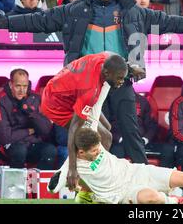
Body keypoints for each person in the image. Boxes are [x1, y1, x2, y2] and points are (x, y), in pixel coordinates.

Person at [0, 0, 183, 166]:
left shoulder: (132, 11)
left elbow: (165, 21)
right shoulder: (74, 10)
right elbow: (41, 20)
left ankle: (142, 175)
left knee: (130, 131)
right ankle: (90, 174)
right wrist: (8, 22)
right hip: (89, 83)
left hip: (122, 78)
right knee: (91, 132)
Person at [40, 52, 130, 196]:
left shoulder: (104, 60)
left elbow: (117, 62)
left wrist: (129, 68)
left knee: (107, 130)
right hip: (57, 105)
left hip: (70, 93)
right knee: (101, 138)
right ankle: (71, 177)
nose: (121, 82)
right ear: (107, 73)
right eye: (119, 78)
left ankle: (91, 179)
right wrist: (72, 169)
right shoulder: (91, 90)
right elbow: (75, 129)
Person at [0, 68, 57, 170]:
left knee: (50, 150)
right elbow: (5, 137)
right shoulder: (0, 100)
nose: (22, 90)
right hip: (8, 145)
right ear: (11, 84)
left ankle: (37, 182)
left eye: (25, 86)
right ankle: (17, 184)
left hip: (32, 142)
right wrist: (30, 130)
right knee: (20, 151)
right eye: (18, 86)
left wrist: (30, 113)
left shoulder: (35, 98)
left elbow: (46, 130)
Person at [109, 92, 175, 168]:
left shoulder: (142, 101)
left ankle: (161, 178)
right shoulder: (112, 101)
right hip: (122, 141)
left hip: (142, 141)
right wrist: (120, 139)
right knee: (116, 151)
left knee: (168, 149)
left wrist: (145, 139)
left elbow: (152, 125)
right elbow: (108, 125)